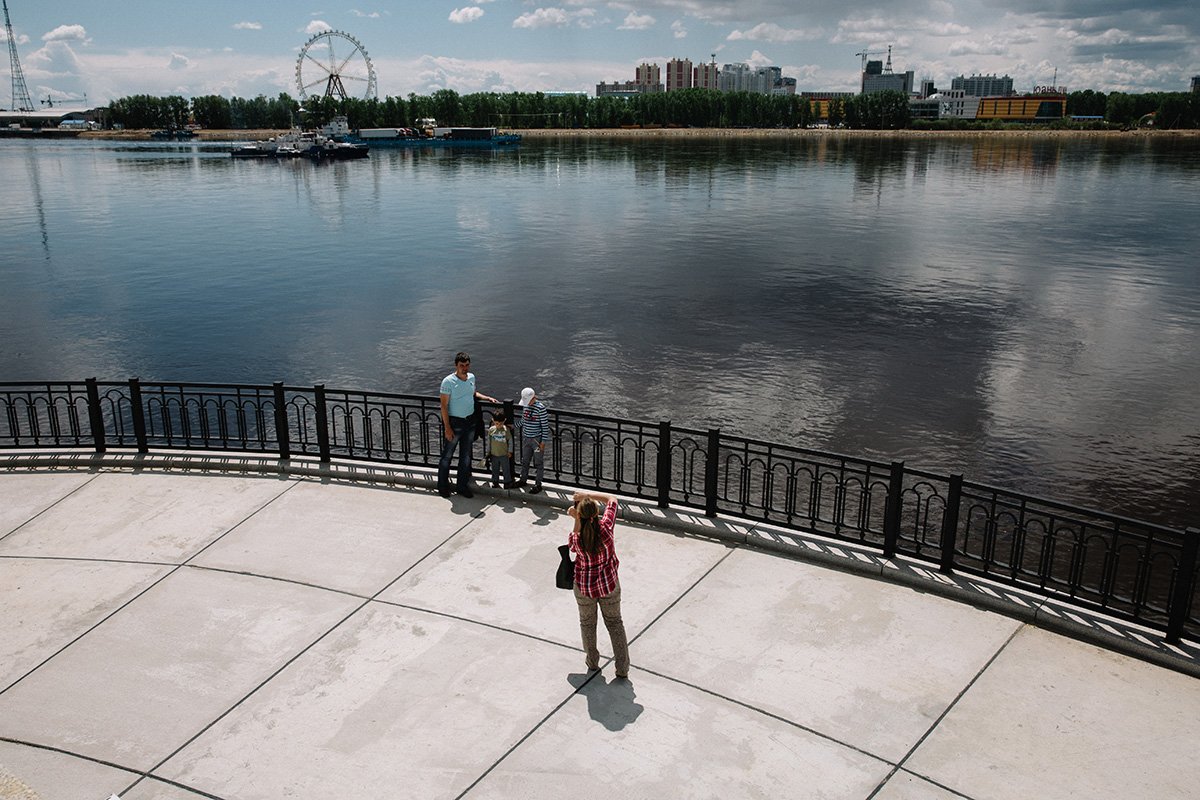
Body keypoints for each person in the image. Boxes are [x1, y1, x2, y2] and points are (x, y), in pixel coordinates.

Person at [568, 491, 629, 678]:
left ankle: (592, 661)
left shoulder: (577, 539)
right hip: (609, 584)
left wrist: (576, 519)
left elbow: (572, 545)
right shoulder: (606, 527)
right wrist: (587, 494)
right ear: (596, 514)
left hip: (584, 588)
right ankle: (622, 668)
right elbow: (612, 500)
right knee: (615, 623)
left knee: (587, 624)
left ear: (580, 515)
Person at [437, 351, 497, 498]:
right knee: (447, 456)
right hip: (455, 423)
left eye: (467, 365)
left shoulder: (471, 377)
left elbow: (473, 393)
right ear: (456, 365)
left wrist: (487, 398)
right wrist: (447, 428)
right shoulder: (448, 382)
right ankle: (442, 487)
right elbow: (443, 406)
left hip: (470, 422)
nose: (465, 368)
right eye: (462, 365)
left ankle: (462, 487)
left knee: (465, 456)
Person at [515, 386, 550, 494]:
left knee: (538, 462)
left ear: (533, 398)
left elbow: (545, 427)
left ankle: (538, 484)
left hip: (536, 441)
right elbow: (523, 421)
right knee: (525, 460)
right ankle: (523, 479)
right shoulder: (526, 407)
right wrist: (514, 426)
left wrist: (543, 442)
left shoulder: (540, 408)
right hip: (526, 438)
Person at [487, 411, 514, 488]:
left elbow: (510, 441)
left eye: (501, 424)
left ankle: (507, 482)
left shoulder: (506, 430)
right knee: (495, 469)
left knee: (506, 469)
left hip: (504, 454)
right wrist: (488, 451)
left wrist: (510, 451)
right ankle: (495, 481)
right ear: (493, 421)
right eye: (496, 423)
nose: (499, 425)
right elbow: (489, 441)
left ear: (504, 421)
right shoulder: (491, 430)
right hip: (494, 454)